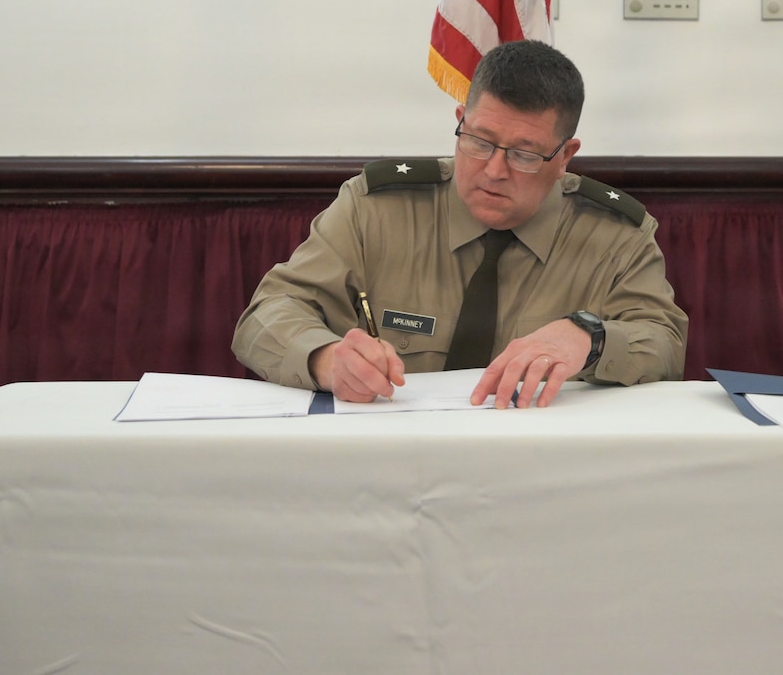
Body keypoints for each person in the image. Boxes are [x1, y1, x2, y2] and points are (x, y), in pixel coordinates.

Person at [233, 40, 687, 409]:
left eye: (525, 155)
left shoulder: (615, 234)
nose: (493, 170)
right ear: (460, 122)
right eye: (478, 141)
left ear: (564, 157)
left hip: (540, 467)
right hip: (388, 459)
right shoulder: (376, 208)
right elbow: (269, 312)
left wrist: (590, 336)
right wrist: (325, 359)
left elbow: (665, 344)